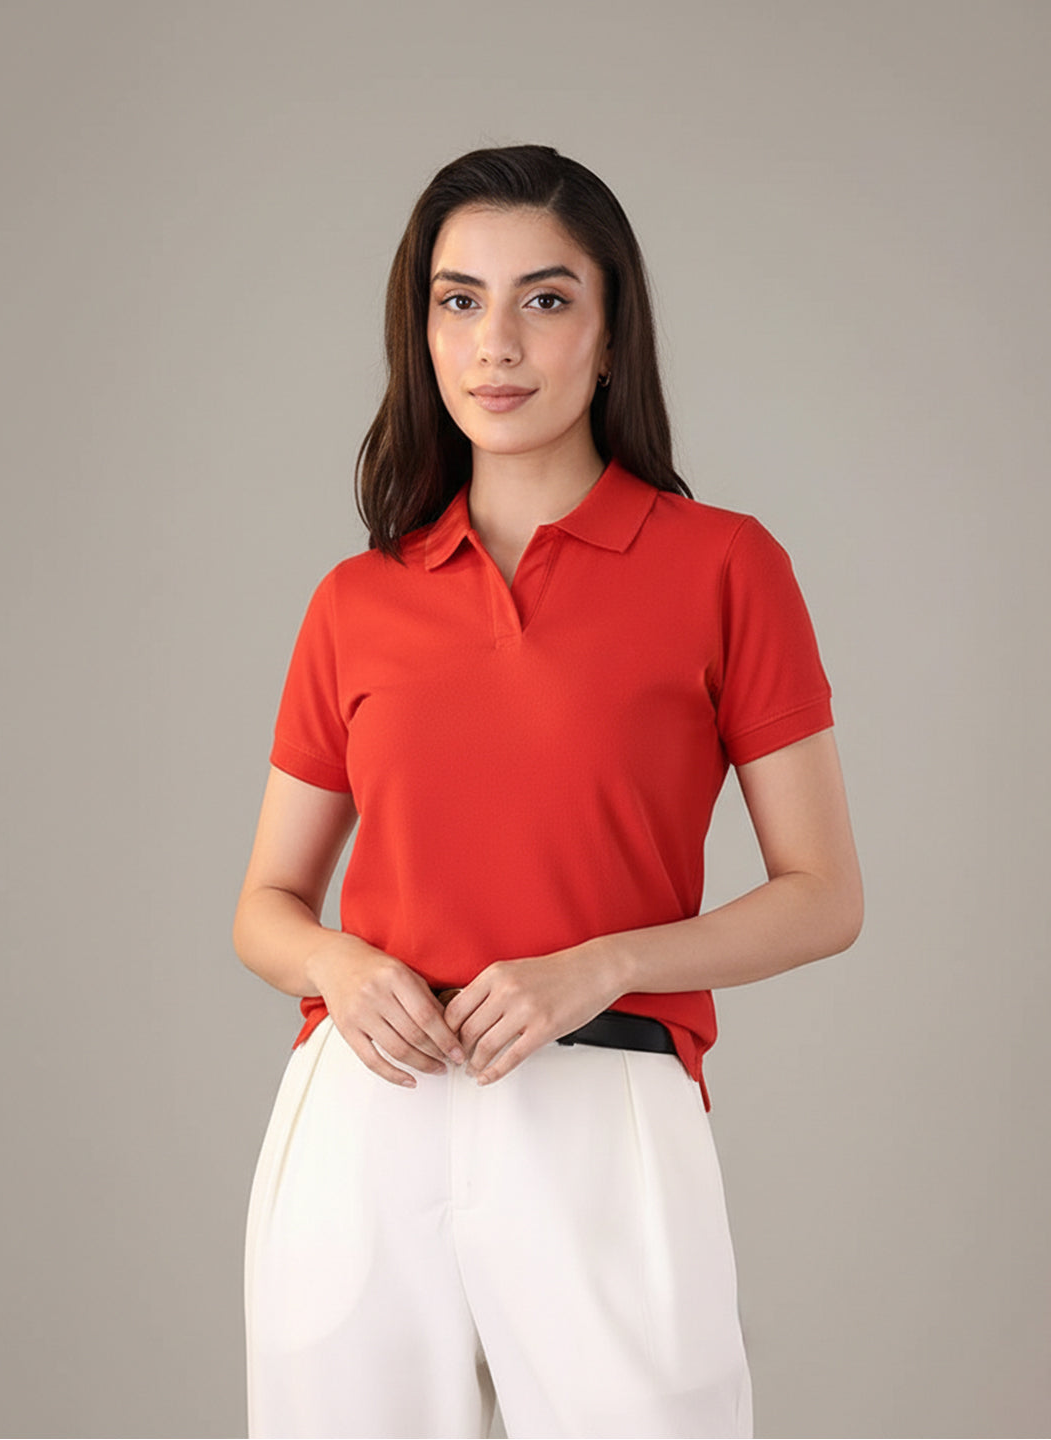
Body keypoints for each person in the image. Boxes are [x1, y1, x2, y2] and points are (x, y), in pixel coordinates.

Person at [233, 143, 863, 1440]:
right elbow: (266, 905)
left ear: (612, 333)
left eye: (547, 298)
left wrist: (601, 965)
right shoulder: (357, 600)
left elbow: (824, 896)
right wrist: (339, 966)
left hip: (605, 1096)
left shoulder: (723, 569)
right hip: (366, 1110)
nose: (498, 344)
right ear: (423, 334)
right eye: (460, 300)